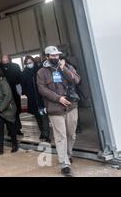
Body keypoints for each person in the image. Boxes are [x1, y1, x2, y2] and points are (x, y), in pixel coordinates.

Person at [37, 46, 80, 177]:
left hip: (71, 106)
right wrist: (58, 98)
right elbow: (42, 89)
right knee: (61, 136)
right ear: (47, 57)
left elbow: (76, 80)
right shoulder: (41, 72)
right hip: (55, 109)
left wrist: (64, 69)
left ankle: (68, 154)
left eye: (57, 55)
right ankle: (64, 163)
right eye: (53, 55)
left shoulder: (67, 66)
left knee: (71, 134)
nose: (56, 57)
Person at [0, 67, 18, 155]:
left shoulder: (2, 82)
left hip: (7, 110)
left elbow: (8, 96)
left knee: (11, 129)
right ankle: (0, 148)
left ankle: (15, 145)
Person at [21, 56, 50, 142]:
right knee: (37, 117)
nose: (29, 64)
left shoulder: (39, 70)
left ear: (33, 62)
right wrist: (28, 94)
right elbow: (24, 87)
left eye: (30, 62)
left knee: (43, 116)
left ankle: (46, 135)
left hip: (41, 97)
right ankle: (42, 132)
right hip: (32, 99)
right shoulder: (24, 74)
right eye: (27, 63)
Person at [0, 55, 23, 135]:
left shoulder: (15, 66)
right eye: (2, 58)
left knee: (16, 111)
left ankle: (18, 128)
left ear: (9, 59)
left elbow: (20, 78)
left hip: (14, 91)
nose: (4, 59)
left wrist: (20, 90)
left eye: (5, 58)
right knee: (7, 111)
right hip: (4, 93)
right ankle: (10, 130)